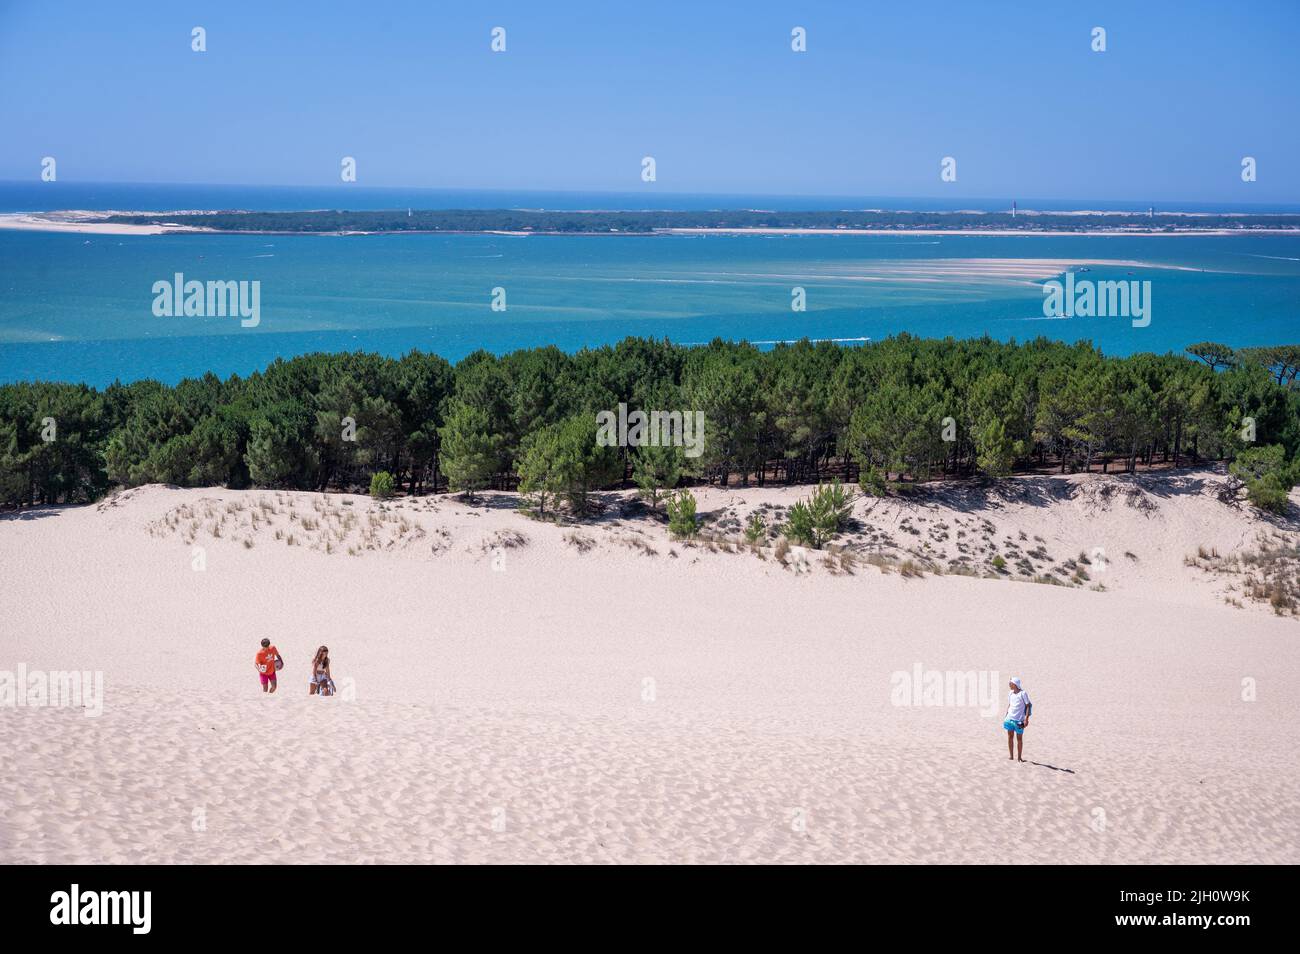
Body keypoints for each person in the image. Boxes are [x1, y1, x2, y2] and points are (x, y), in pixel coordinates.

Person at [1003, 676, 1032, 761]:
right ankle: (1011, 756)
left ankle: (1019, 757)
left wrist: (1026, 719)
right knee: (1010, 737)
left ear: (1015, 684)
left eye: (1010, 683)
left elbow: (1028, 706)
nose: (1009, 684)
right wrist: (1006, 714)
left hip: (1019, 720)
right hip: (1009, 719)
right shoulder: (1010, 693)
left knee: (1019, 739)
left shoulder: (1023, 693)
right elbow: (1010, 704)